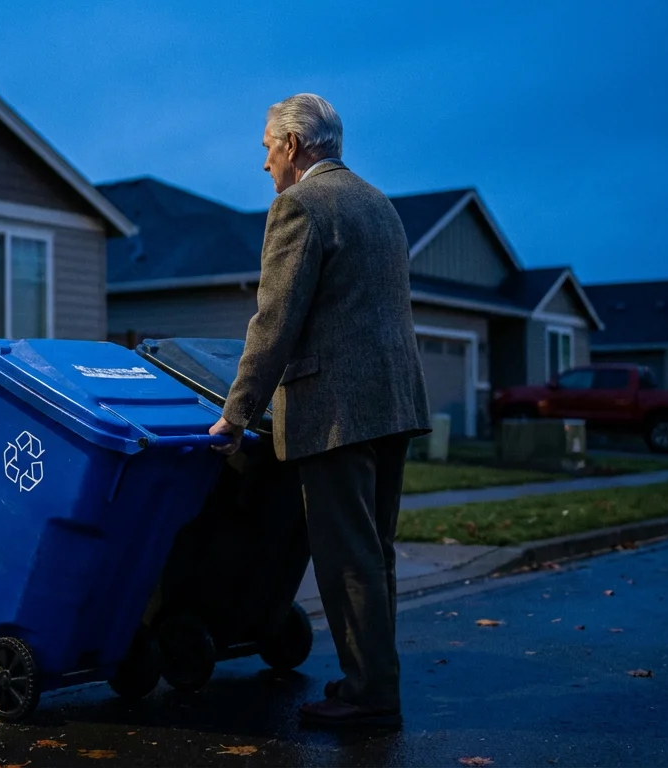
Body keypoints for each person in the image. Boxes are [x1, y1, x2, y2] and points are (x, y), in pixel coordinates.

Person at [209, 93, 431, 728]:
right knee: (375, 550)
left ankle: (370, 698)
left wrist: (236, 412)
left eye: (266, 149)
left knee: (346, 557)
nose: (264, 165)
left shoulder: (299, 206)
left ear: (292, 146)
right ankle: (371, 680)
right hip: (394, 401)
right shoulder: (377, 203)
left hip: (335, 409)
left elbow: (275, 321)